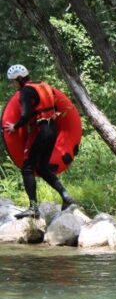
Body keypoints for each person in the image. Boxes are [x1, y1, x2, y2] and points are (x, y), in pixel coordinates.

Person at [3, 65, 75, 218]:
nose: (12, 85)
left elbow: (26, 114)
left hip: (40, 131)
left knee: (27, 168)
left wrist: (15, 126)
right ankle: (66, 196)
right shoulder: (43, 85)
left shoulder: (25, 92)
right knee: (42, 167)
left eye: (13, 82)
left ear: (20, 79)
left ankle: (33, 207)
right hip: (52, 129)